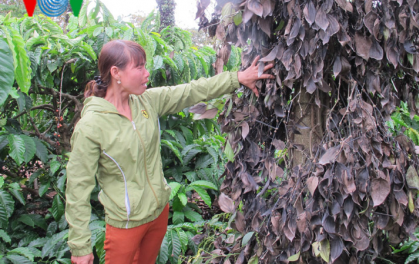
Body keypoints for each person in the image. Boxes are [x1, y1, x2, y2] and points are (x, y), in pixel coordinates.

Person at [65, 39, 274, 264]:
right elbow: (78, 186)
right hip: (125, 225)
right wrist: (80, 245)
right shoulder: (91, 125)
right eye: (139, 67)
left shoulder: (146, 102)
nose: (147, 73)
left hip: (158, 215)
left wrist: (238, 78)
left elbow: (191, 91)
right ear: (116, 72)